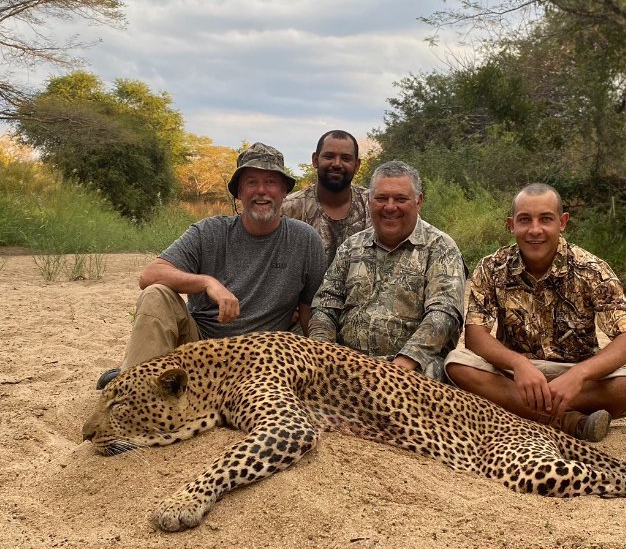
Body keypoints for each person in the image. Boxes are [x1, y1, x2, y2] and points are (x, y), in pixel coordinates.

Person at [95, 142, 326, 388]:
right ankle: (135, 388)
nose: (261, 191)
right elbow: (150, 275)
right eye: (251, 182)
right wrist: (207, 282)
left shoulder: (305, 239)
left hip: (263, 362)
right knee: (156, 294)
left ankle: (133, 374)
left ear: (284, 192)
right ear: (238, 192)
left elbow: (309, 310)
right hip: (197, 351)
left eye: (270, 182)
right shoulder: (208, 231)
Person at [444, 182, 626, 441]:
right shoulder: (491, 267)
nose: (535, 230)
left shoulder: (592, 269)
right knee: (456, 363)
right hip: (513, 374)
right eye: (524, 220)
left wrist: (579, 375)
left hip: (575, 377)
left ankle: (520, 411)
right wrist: (518, 364)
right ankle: (569, 422)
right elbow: (475, 335)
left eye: (545, 219)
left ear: (562, 222)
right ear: (511, 225)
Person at [308, 159, 466, 381]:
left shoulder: (440, 247)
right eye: (381, 198)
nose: (390, 207)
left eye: (401, 199)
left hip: (411, 370)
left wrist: (404, 363)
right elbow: (325, 306)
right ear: (370, 200)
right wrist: (324, 355)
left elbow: (444, 313)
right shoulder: (352, 246)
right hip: (347, 367)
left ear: (419, 201)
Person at [281, 129, 371, 267]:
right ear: (315, 160)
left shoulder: (374, 206)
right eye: (329, 156)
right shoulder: (289, 209)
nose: (336, 164)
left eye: (346, 158)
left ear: (357, 165)